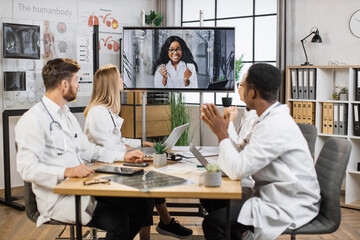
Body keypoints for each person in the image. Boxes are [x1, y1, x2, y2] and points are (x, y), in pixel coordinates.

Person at [15, 58, 152, 240]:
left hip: (82, 187)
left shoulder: (67, 115)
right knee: (119, 222)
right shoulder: (32, 120)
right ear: (64, 84)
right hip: (58, 196)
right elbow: (27, 169)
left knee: (142, 207)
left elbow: (88, 150)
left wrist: (123, 155)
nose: (78, 85)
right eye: (76, 80)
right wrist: (66, 171)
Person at [200, 63, 321, 240]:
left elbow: (238, 170)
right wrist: (224, 131)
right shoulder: (266, 118)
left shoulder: (273, 125)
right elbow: (242, 152)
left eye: (242, 85)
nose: (239, 89)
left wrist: (222, 133)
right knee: (212, 198)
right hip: (274, 193)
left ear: (252, 92)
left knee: (214, 223)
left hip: (288, 202)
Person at [83, 64, 193, 240]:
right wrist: (130, 151)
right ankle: (161, 226)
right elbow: (110, 149)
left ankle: (162, 225)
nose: (122, 80)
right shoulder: (97, 113)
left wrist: (140, 144)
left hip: (111, 169)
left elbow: (117, 141)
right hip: (101, 176)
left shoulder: (106, 112)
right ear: (111, 83)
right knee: (146, 194)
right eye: (119, 77)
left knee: (150, 187)